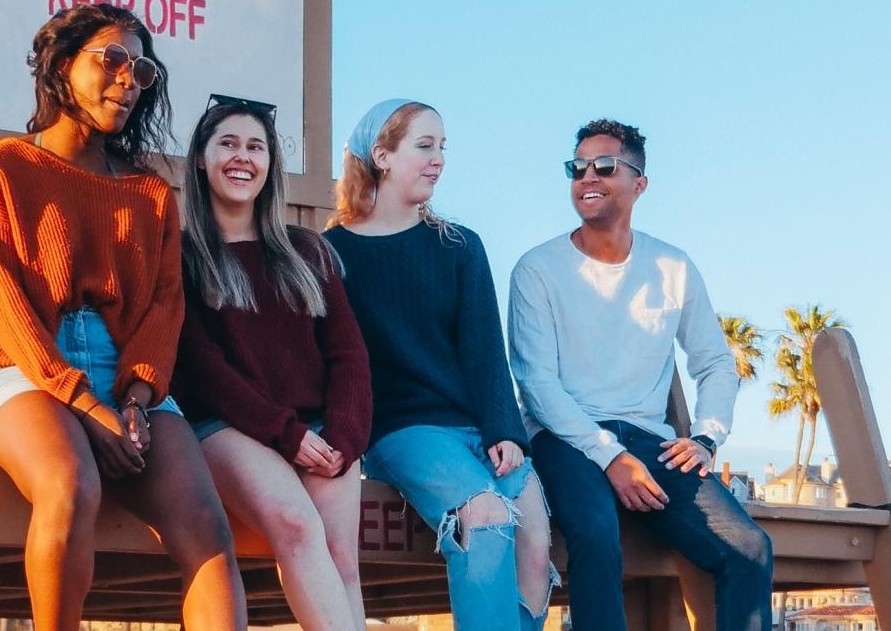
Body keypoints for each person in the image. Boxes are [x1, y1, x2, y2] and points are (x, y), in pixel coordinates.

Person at [0, 3, 245, 630]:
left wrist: (135, 403)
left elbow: (165, 308)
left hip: (127, 378)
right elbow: (5, 308)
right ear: (62, 64)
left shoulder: (149, 194)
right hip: (25, 371)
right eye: (111, 59)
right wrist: (84, 406)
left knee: (206, 524)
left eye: (140, 70)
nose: (127, 80)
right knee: (70, 483)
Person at [510, 118, 774, 631]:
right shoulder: (536, 269)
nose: (588, 177)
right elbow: (538, 386)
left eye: (604, 166)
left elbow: (716, 362)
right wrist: (611, 457)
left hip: (651, 441)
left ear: (639, 183)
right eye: (577, 167)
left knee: (749, 547)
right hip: (565, 437)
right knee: (594, 535)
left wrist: (705, 438)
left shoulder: (673, 267)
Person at [323, 99, 556, 630]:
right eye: (424, 146)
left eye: (442, 148)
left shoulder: (459, 245)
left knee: (537, 540)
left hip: (478, 428)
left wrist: (505, 429)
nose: (438, 160)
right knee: (487, 517)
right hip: (402, 431)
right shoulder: (331, 253)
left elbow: (484, 349)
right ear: (381, 155)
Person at [172, 96, 372, 630]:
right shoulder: (182, 254)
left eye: (255, 146)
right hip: (228, 425)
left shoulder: (308, 251)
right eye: (228, 144)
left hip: (320, 428)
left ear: (269, 165)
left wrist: (346, 438)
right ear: (201, 158)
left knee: (341, 555)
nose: (243, 157)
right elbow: (200, 367)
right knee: (295, 525)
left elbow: (349, 355)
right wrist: (285, 434)